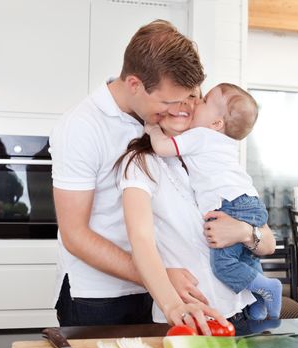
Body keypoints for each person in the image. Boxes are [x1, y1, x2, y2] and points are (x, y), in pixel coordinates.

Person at [49, 19, 209, 327]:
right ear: (135, 84)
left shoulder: (157, 121)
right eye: (167, 102)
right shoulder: (81, 127)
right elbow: (75, 236)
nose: (176, 110)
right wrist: (160, 276)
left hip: (160, 290)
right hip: (97, 297)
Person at [117, 89, 277, 334]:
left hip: (243, 307)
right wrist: (169, 295)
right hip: (192, 315)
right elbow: (140, 240)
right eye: (171, 97)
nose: (183, 104)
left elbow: (268, 245)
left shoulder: (213, 156)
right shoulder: (140, 163)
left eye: (193, 97)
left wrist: (243, 232)